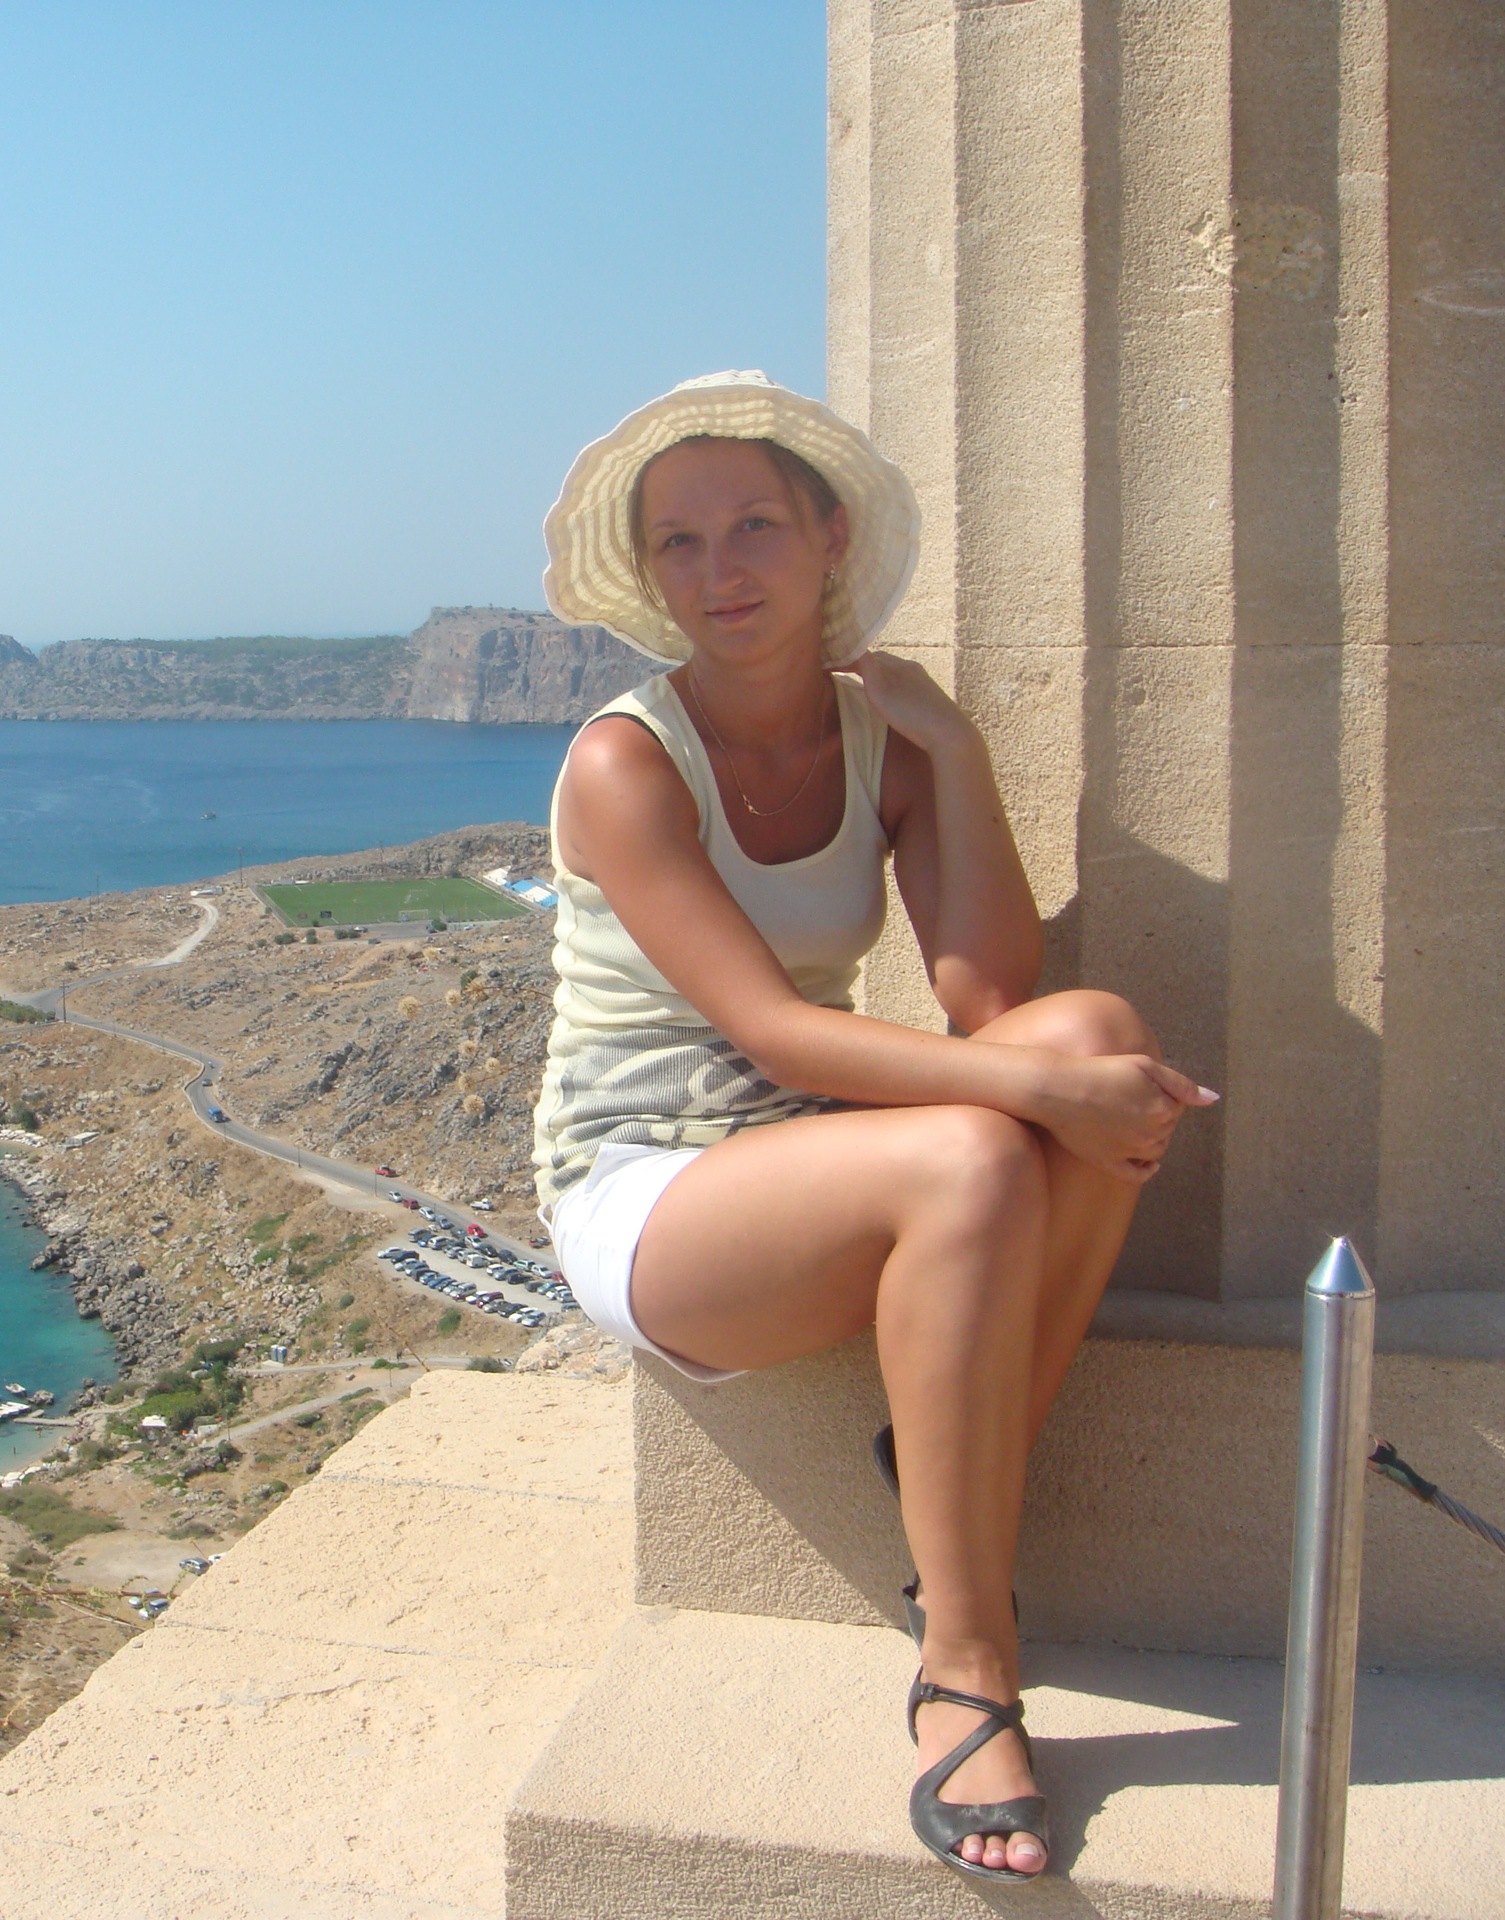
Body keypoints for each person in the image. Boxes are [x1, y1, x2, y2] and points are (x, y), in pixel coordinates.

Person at [531, 371, 1216, 1883]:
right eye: (681, 542)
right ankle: (965, 1669)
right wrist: (1042, 1098)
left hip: (816, 1147)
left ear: (829, 535)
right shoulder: (625, 760)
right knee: (997, 1132)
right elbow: (770, 1030)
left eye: (756, 526)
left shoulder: (881, 744)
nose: (721, 570)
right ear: (651, 574)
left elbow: (989, 995)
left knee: (1093, 1031)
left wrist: (953, 754)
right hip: (651, 1186)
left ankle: (951, 1442)